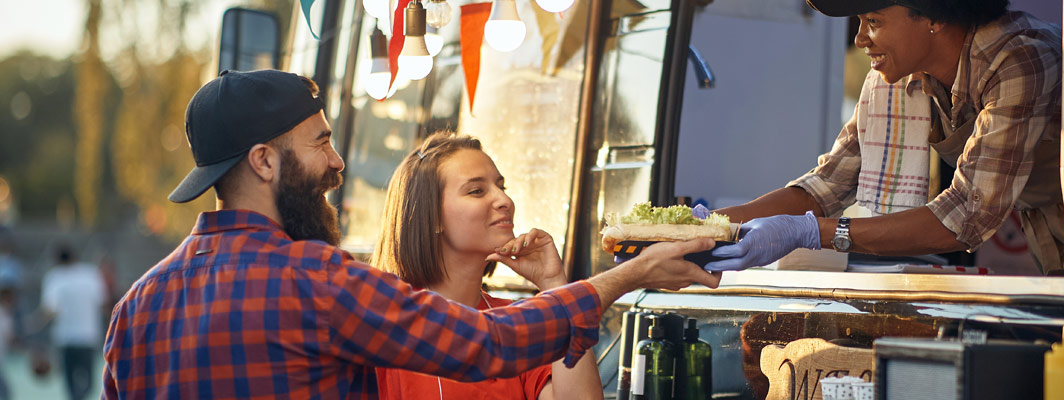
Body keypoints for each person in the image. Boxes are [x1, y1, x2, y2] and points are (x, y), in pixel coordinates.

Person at [102, 69, 721, 399]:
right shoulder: (316, 281)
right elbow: (490, 346)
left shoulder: (136, 309)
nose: (339, 164)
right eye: (321, 143)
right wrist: (631, 274)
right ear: (264, 162)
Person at [703, 0, 1064, 274]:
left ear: (934, 16)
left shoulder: (1019, 60)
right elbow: (827, 186)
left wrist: (809, 233)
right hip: (1046, 240)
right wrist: (705, 226)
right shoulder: (896, 75)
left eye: (873, 20)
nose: (861, 38)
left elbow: (962, 218)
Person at [370, 133, 604, 400]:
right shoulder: (382, 325)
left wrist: (556, 287)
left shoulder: (520, 323)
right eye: (476, 191)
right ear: (430, 215)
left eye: (502, 187)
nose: (505, 201)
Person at [40, 244, 107, 400]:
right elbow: (103, 304)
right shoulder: (91, 274)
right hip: (88, 337)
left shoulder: (55, 277)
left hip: (65, 338)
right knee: (89, 385)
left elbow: (50, 310)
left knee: (70, 386)